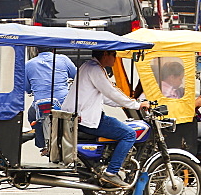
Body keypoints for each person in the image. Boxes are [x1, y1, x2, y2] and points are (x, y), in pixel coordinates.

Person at [62, 49, 148, 187]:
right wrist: (136, 105)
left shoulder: (88, 66)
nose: (115, 58)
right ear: (105, 54)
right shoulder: (95, 69)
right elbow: (111, 92)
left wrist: (129, 103)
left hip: (79, 116)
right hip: (86, 119)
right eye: (114, 55)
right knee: (129, 134)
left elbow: (105, 97)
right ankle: (111, 172)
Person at [25, 51, 78, 151]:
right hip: (62, 102)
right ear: (53, 51)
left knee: (31, 115)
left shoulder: (29, 64)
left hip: (40, 103)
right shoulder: (63, 59)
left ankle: (42, 145)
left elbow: (27, 88)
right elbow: (76, 75)